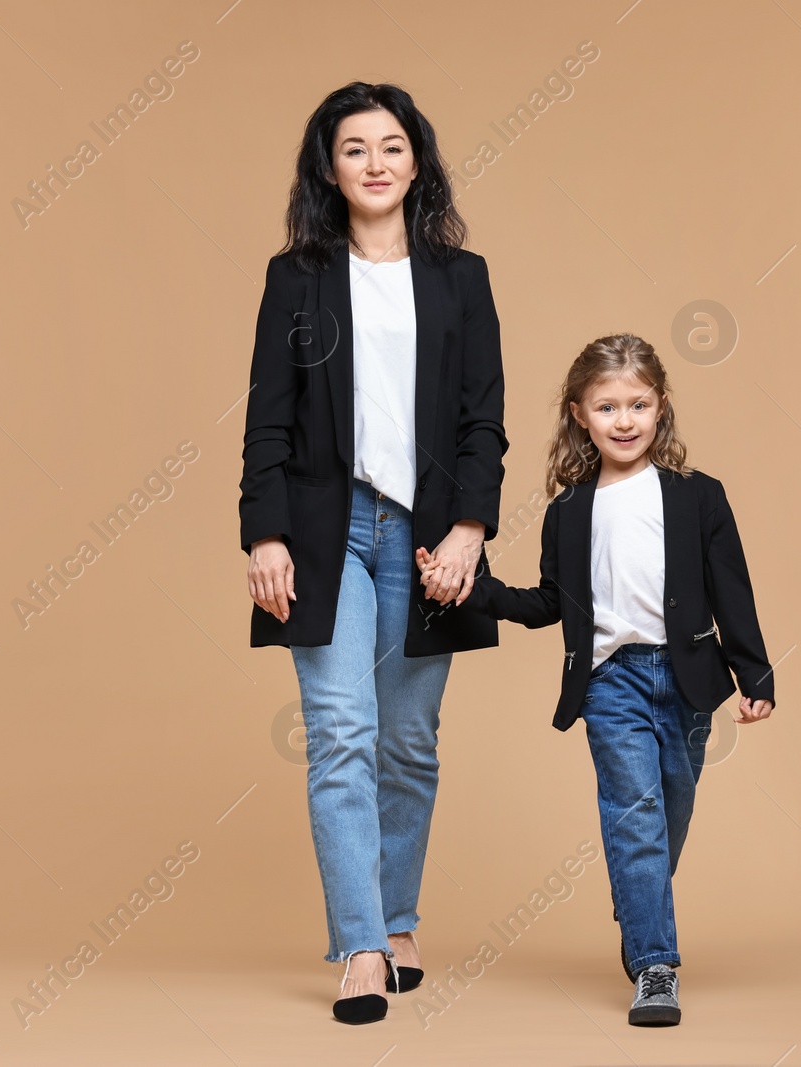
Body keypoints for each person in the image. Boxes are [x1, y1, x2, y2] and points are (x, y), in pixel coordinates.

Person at [239, 82, 508, 1024]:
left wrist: (472, 528)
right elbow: (267, 415)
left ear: (417, 161)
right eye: (355, 148)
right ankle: (358, 944)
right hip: (324, 531)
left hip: (430, 533)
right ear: (328, 166)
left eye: (393, 145)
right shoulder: (296, 276)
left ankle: (398, 917)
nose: (377, 162)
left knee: (408, 741)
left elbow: (484, 420)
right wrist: (262, 532)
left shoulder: (460, 277)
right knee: (343, 732)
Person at [422, 333, 774, 1026]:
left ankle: (637, 901)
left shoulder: (699, 497)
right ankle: (655, 966)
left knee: (668, 811)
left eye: (638, 404)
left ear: (661, 407)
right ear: (579, 413)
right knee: (634, 815)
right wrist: (474, 587)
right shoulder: (569, 512)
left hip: (689, 679)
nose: (624, 419)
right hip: (610, 682)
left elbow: (732, 590)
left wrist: (754, 672)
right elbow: (549, 604)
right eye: (607, 405)